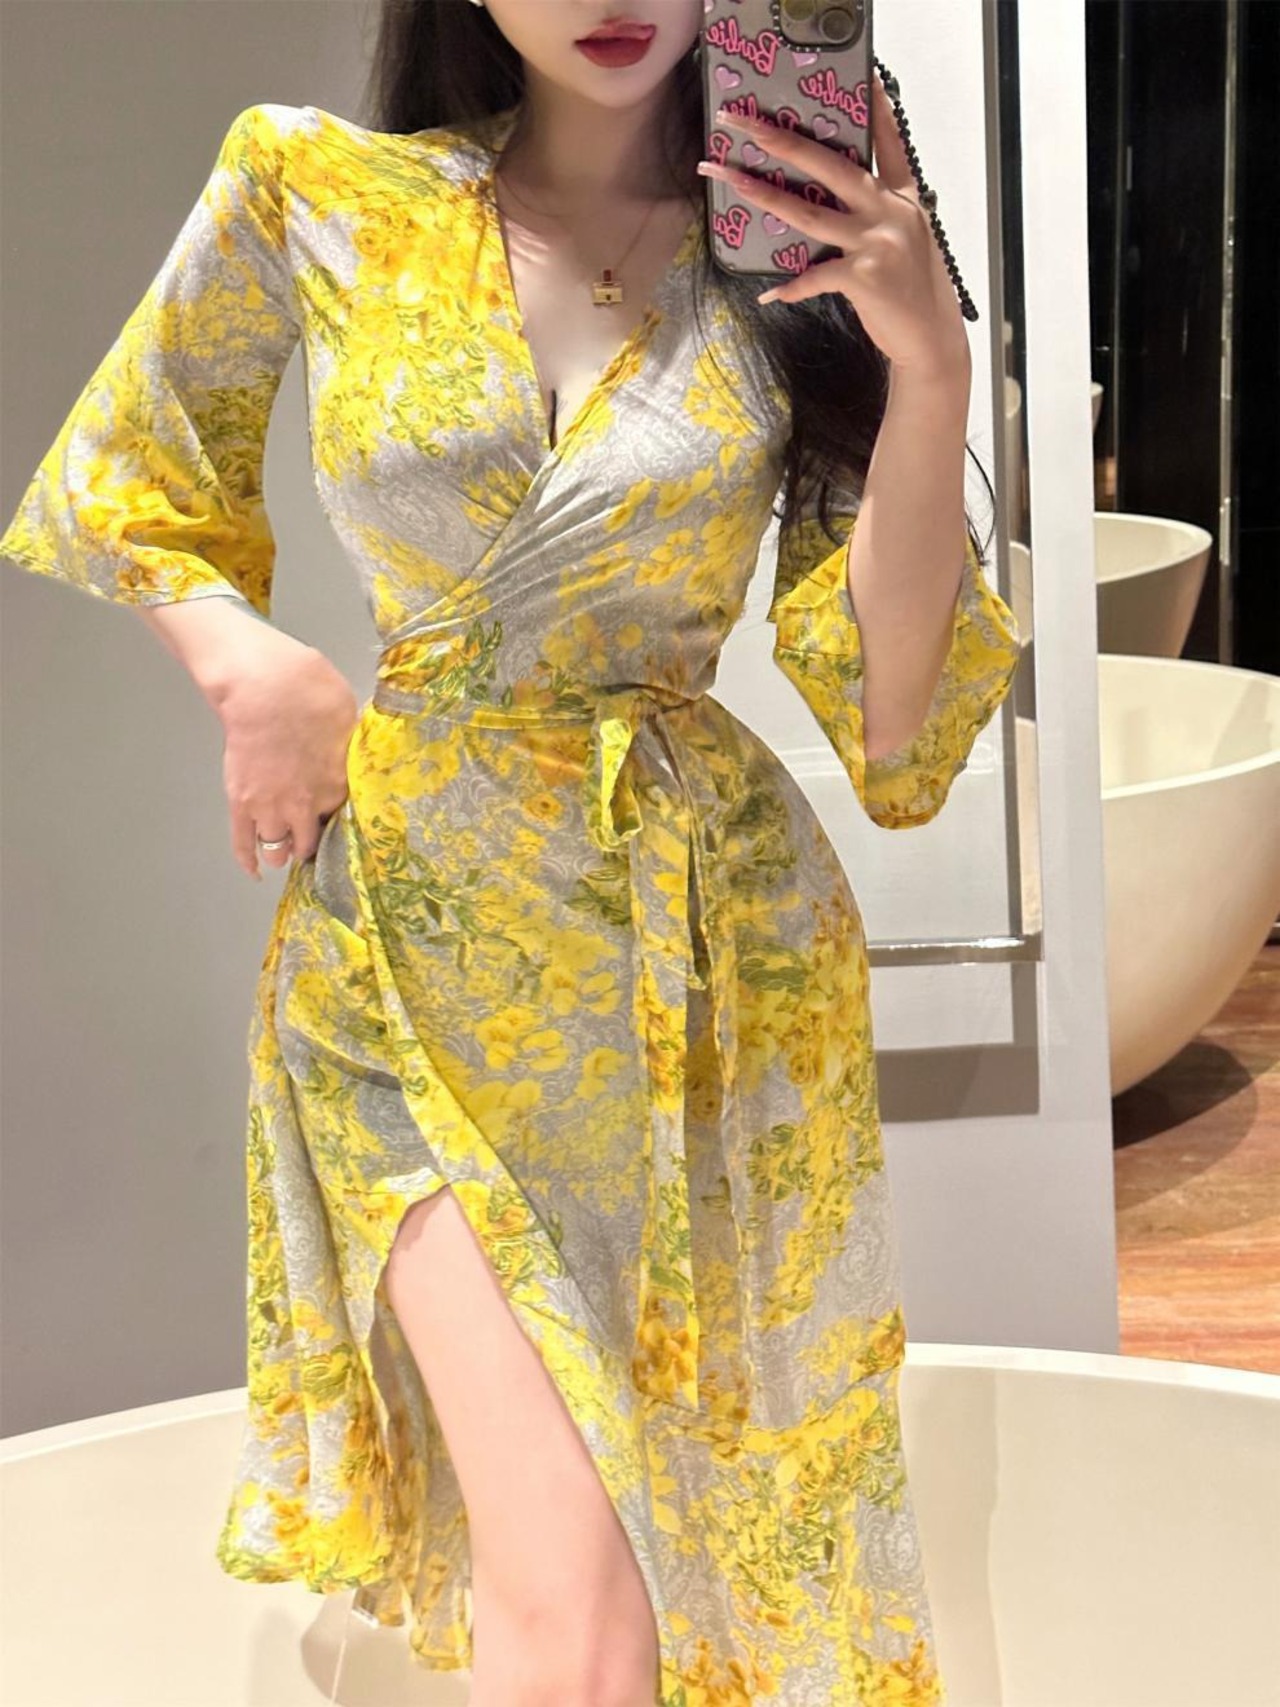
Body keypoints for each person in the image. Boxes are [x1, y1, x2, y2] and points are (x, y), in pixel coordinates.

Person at [0, 2, 1021, 1702]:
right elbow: (130, 476)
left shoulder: (782, 255)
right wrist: (249, 667)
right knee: (576, 1603)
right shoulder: (320, 190)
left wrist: (930, 372)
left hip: (706, 973)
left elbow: (896, 708)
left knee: (698, 1549)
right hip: (412, 956)